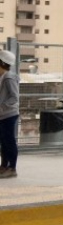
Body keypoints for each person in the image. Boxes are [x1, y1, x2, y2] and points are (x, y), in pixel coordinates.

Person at [0, 50, 19, 178]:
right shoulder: (3, 77)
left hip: (9, 114)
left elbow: (14, 97)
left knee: (9, 141)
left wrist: (1, 107)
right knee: (3, 141)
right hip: (3, 114)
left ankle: (12, 168)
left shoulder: (8, 78)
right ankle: (4, 166)